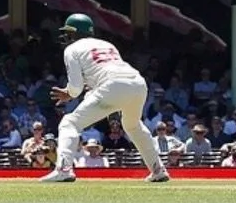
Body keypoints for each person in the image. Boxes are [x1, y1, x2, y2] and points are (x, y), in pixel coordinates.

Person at [38, 13, 169, 184]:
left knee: (69, 123)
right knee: (133, 126)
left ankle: (63, 169)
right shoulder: (107, 44)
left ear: (76, 32)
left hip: (112, 85)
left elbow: (76, 88)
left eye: (69, 32)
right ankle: (158, 170)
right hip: (138, 83)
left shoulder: (71, 49)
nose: (67, 36)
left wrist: (69, 93)